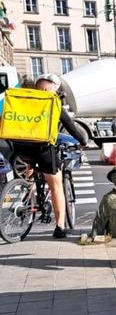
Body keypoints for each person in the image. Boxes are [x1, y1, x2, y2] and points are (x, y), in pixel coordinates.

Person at [11, 73, 88, 238]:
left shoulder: (25, 99)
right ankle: (59, 226)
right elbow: (71, 126)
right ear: (53, 89)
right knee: (56, 185)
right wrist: (83, 141)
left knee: (30, 169)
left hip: (21, 147)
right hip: (44, 149)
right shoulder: (53, 102)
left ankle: (27, 194)